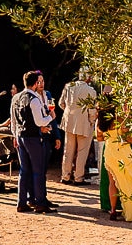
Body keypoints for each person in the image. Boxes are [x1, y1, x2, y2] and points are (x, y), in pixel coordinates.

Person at [11, 70, 56, 213]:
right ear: (36, 83)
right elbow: (39, 121)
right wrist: (51, 117)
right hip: (33, 137)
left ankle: (21, 202)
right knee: (38, 170)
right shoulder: (34, 99)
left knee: (24, 171)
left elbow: (13, 120)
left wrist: (15, 135)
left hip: (21, 136)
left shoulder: (16, 97)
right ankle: (40, 203)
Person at [98, 108, 132, 222]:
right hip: (123, 151)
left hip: (109, 150)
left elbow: (99, 137)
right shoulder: (120, 119)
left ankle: (113, 209)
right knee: (129, 181)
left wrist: (110, 137)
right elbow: (128, 137)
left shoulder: (101, 119)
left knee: (112, 182)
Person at [59, 70, 98, 184]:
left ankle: (65, 176)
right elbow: (92, 110)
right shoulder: (90, 91)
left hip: (69, 122)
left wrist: (70, 113)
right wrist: (92, 121)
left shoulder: (68, 86)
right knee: (82, 151)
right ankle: (78, 177)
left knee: (68, 150)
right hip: (84, 123)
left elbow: (61, 103)